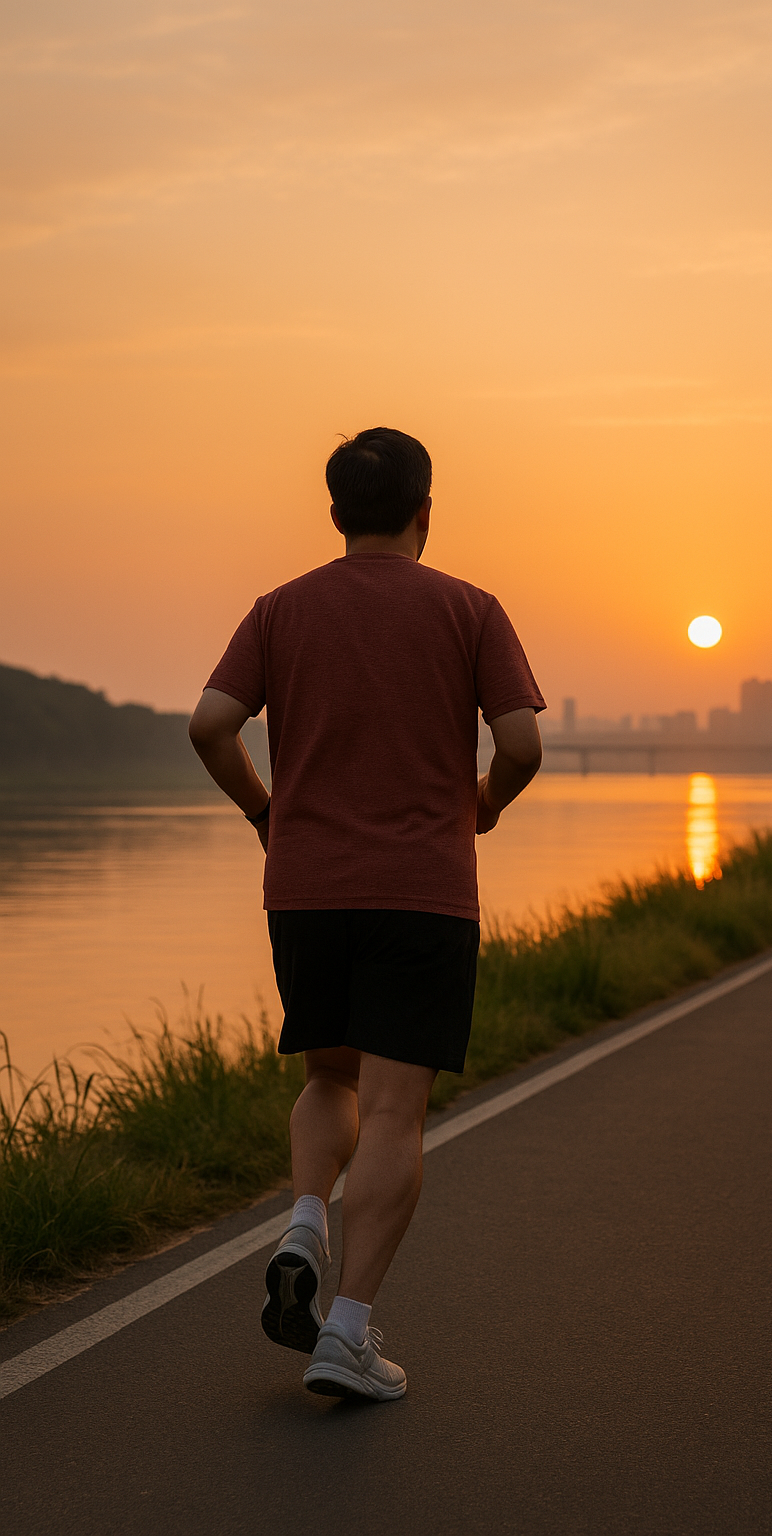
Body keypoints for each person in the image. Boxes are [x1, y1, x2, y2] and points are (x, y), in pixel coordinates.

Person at [188, 427, 544, 1400]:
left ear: (336, 513)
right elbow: (519, 740)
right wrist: (488, 802)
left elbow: (209, 726)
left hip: (304, 889)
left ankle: (305, 1215)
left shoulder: (278, 611)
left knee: (327, 1077)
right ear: (426, 512)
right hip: (421, 890)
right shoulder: (469, 609)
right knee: (395, 1107)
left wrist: (267, 811)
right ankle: (346, 1333)